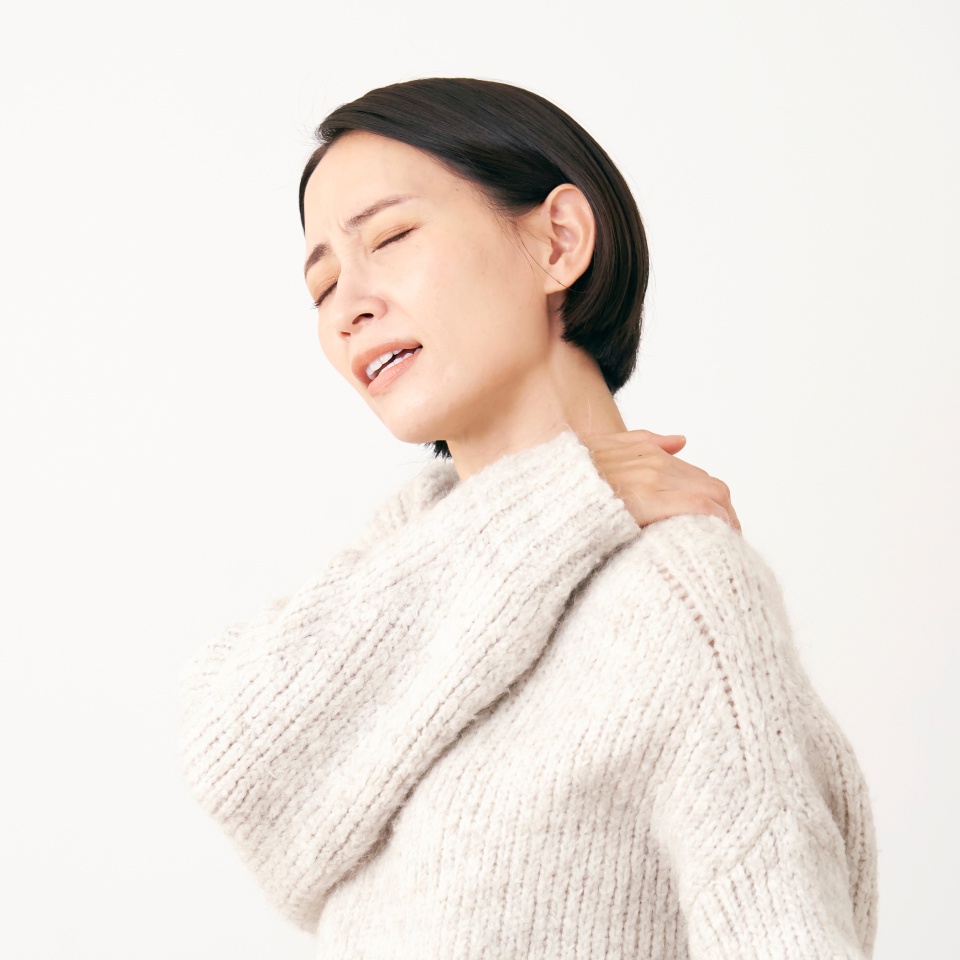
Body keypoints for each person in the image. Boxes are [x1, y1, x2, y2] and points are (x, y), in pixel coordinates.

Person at [179, 78, 878, 959]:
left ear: (559, 241)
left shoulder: (679, 595)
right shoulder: (402, 576)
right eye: (321, 287)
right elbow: (237, 759)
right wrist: (560, 504)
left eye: (390, 237)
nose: (349, 305)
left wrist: (572, 506)